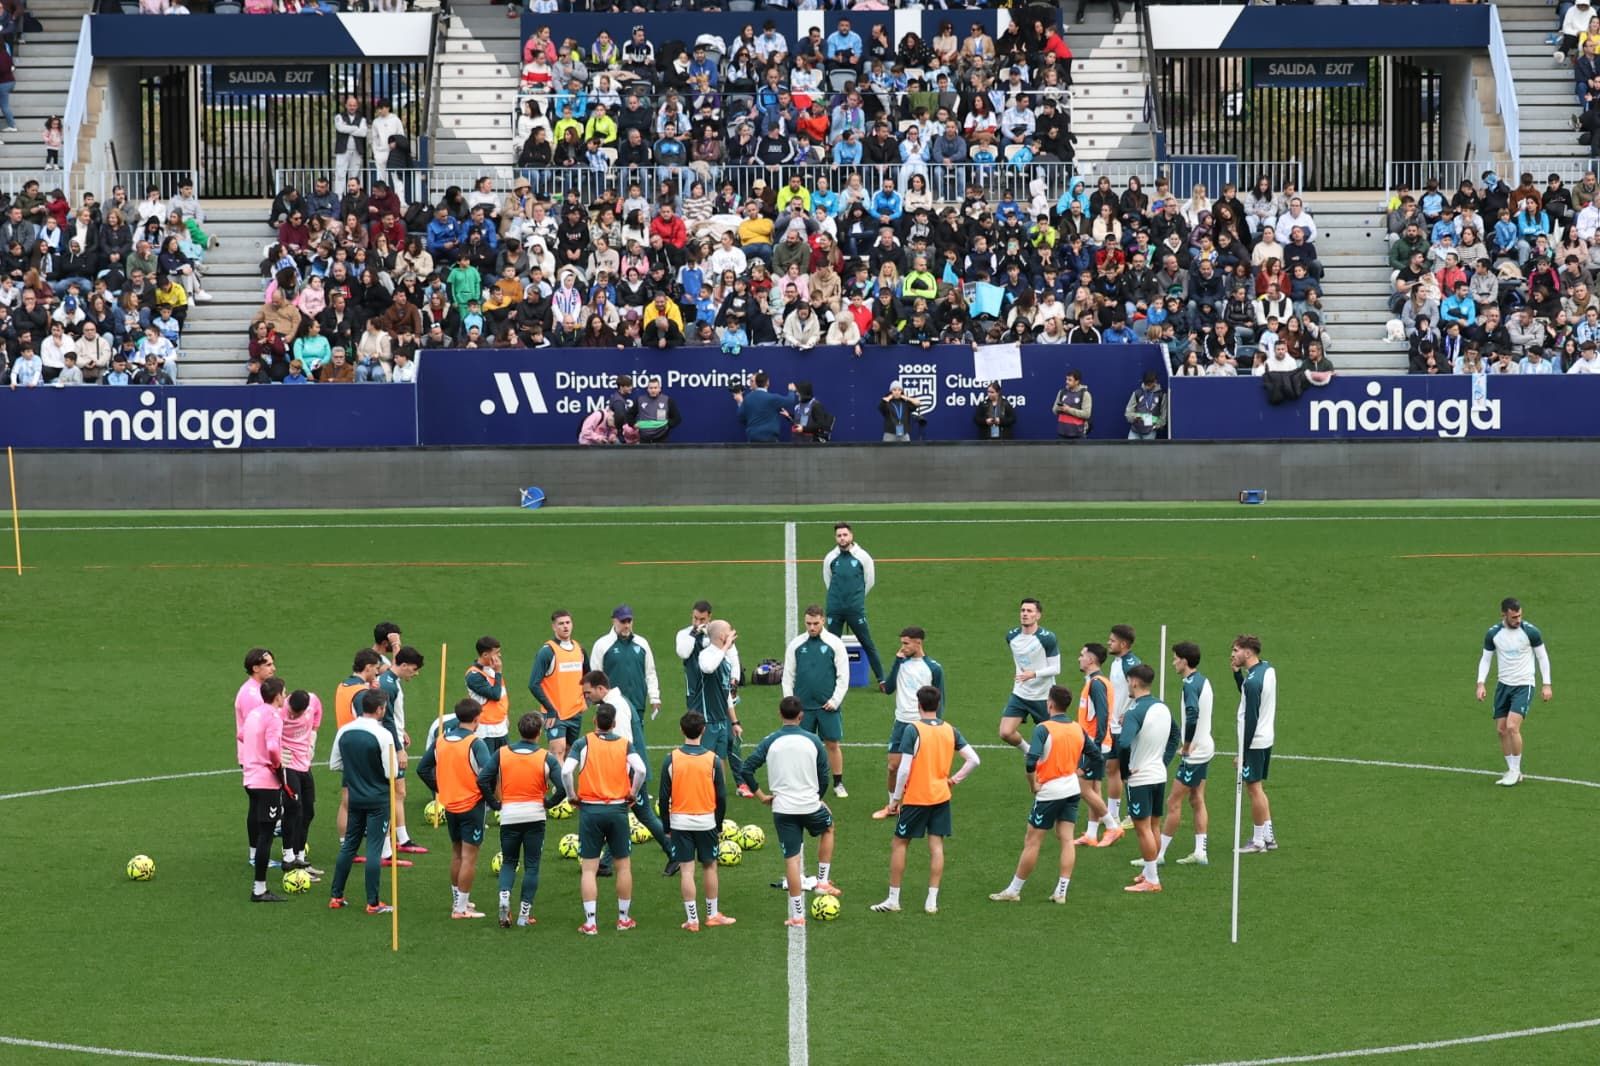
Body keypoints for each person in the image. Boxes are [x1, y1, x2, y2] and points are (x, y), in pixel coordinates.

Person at [990, 684, 1105, 904]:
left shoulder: (1043, 728)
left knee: (1032, 841)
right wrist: (1080, 771)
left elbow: (1031, 760)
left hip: (1050, 791)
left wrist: (1033, 785)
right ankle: (1061, 891)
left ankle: (1014, 890)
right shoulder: (1077, 728)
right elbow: (1096, 756)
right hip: (1071, 789)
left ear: (1050, 704)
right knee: (1067, 840)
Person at [870, 685, 980, 914]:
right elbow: (974, 760)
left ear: (918, 705)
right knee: (936, 847)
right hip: (941, 796)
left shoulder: (913, 730)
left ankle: (893, 899)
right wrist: (953, 780)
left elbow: (903, 770)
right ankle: (931, 901)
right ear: (937, 705)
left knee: (900, 844)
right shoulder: (950, 729)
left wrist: (894, 800)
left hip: (917, 797)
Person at [739, 695, 842, 926]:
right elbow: (824, 774)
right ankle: (823, 882)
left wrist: (761, 796)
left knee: (792, 861)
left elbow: (746, 769)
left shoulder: (770, 741)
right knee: (829, 827)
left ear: (779, 714)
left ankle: (797, 916)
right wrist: (818, 798)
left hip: (782, 808)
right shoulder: (813, 740)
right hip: (809, 804)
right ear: (801, 716)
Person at [562, 701, 648, 934]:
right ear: (615, 723)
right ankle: (623, 919)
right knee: (623, 866)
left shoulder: (583, 742)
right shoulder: (624, 744)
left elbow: (566, 771)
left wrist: (571, 795)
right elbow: (641, 770)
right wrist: (633, 792)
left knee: (589, 869)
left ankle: (590, 923)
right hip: (618, 809)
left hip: (590, 809)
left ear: (594, 722)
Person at [477, 712, 566, 928]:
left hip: (509, 815)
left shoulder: (502, 753)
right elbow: (563, 786)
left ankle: (504, 898)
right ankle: (524, 915)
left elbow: (482, 779)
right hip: (535, 815)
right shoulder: (547, 758)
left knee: (509, 862)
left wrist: (495, 803)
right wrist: (550, 803)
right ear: (539, 733)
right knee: (532, 866)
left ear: (519, 730)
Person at [581, 668, 673, 875]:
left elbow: (624, 744)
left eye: (588, 693)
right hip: (630, 769)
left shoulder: (616, 708)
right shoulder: (614, 703)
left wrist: (624, 777)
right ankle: (605, 863)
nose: (586, 697)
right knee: (621, 814)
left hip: (630, 772)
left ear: (601, 688)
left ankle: (674, 853)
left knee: (643, 815)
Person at [658, 712, 735, 932]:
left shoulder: (670, 759)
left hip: (680, 823)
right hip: (706, 822)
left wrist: (666, 827)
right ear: (703, 730)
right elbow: (721, 796)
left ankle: (692, 920)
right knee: (710, 866)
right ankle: (712, 914)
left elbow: (664, 798)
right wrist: (718, 824)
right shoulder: (712, 760)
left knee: (686, 871)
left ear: (682, 730)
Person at [417, 698, 492, 919]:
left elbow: (423, 769)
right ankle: (460, 909)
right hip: (472, 805)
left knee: (457, 853)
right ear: (477, 719)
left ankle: (458, 901)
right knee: (470, 857)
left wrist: (441, 788)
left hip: (450, 805)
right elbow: (487, 775)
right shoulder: (475, 743)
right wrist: (493, 801)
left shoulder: (442, 739)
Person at [327, 683, 398, 915]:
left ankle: (336, 896)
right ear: (379, 709)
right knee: (374, 849)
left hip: (355, 798)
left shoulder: (344, 731)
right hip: (378, 800)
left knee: (349, 846)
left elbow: (335, 764)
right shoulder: (383, 734)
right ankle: (373, 902)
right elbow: (392, 773)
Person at [1475, 597, 1552, 786]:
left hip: (1524, 685)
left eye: (1519, 615)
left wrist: (1546, 684)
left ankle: (1516, 770)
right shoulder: (1494, 634)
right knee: (1501, 730)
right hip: (1503, 686)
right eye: (1513, 617)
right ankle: (1512, 769)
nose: (1518, 620)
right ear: (1504, 614)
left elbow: (1542, 657)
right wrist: (1480, 683)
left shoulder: (1531, 632)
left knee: (1512, 727)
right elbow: (1486, 659)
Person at [873, 626, 945, 820]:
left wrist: (937, 725)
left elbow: (940, 700)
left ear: (918, 643)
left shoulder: (933, 668)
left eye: (906, 643)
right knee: (893, 767)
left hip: (922, 725)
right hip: (901, 723)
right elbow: (888, 689)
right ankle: (893, 805)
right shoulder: (901, 663)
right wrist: (897, 661)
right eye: (902, 642)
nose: (902, 647)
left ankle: (919, 805)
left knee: (919, 769)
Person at [1118, 664, 1177, 893]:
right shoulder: (1162, 707)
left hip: (1140, 777)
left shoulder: (1135, 711)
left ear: (1134, 682)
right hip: (1158, 775)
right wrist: (1163, 761)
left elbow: (1123, 743)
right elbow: (1175, 735)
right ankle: (1149, 872)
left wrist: (1124, 772)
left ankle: (1152, 880)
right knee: (1153, 825)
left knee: (1142, 829)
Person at [1155, 642, 1214, 868]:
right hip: (1206, 746)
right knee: (1197, 799)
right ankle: (1200, 851)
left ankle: (1158, 854)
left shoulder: (1190, 685)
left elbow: (1192, 715)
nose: (1173, 662)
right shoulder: (1203, 680)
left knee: (1173, 801)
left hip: (1196, 752)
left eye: (1175, 658)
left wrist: (1187, 745)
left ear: (1184, 661)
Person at [783, 605, 850, 798]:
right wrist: (791, 703)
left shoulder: (834, 644)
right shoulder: (796, 644)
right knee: (801, 746)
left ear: (823, 621)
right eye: (808, 623)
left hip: (827, 705)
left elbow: (843, 676)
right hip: (803, 708)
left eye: (815, 623)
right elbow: (788, 676)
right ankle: (802, 782)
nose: (811, 627)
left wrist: (835, 700)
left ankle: (838, 783)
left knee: (832, 744)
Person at [589, 604, 661, 762]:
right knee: (611, 745)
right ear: (614, 621)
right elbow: (595, 676)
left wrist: (655, 698)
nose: (626, 625)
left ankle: (636, 782)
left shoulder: (642, 644)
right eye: (623, 621)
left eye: (629, 621)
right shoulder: (602, 645)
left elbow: (650, 672)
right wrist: (598, 703)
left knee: (636, 745)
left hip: (637, 704)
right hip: (611, 708)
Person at [376, 645, 427, 855]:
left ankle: (400, 838)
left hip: (393, 738)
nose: (415, 674)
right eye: (413, 669)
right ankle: (394, 843)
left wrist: (402, 729)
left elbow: (392, 717)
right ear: (403, 665)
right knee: (395, 792)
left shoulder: (391, 681)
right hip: (389, 745)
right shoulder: (389, 685)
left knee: (398, 792)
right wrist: (399, 749)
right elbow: (386, 719)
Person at [240, 678, 288, 903]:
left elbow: (242, 736)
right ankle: (259, 889)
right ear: (278, 696)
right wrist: (277, 767)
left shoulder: (253, 714)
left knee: (262, 832)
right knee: (266, 836)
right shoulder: (274, 717)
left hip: (249, 778)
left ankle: (260, 887)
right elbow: (272, 748)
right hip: (266, 781)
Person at [822, 522, 885, 686]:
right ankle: (830, 680)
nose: (842, 538)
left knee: (867, 643)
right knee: (832, 646)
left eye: (845, 535)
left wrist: (856, 598)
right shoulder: (830, 558)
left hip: (855, 609)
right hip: (835, 609)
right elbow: (828, 581)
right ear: (835, 538)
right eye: (839, 535)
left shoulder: (863, 557)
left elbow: (869, 581)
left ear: (851, 536)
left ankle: (882, 679)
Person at [1232, 635, 1279, 854]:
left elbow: (1251, 716)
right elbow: (1249, 694)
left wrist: (1242, 753)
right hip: (1266, 737)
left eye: (1236, 650)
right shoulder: (1266, 670)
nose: (1233, 654)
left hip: (1254, 741)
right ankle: (1268, 836)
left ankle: (1258, 840)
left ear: (1248, 652)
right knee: (1258, 787)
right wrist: (1236, 675)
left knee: (1254, 789)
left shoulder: (1252, 682)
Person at [998, 597, 1060, 754]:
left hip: (1043, 696)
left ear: (1038, 615)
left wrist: (1034, 674)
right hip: (1020, 693)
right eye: (1023, 610)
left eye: (1029, 611)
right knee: (1005, 732)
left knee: (1052, 741)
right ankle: (1028, 751)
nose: (1025, 614)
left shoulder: (1047, 638)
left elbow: (1056, 668)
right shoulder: (1011, 636)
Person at [1070, 643, 1115, 847]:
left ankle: (1112, 826)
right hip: (1096, 743)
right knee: (1094, 788)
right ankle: (1091, 833)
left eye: (1082, 655)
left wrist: (1093, 746)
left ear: (1091, 659)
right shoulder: (1098, 682)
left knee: (1083, 788)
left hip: (1093, 745)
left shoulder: (1096, 684)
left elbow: (1103, 715)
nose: (1079, 658)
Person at [277, 687, 324, 882]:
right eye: (292, 712)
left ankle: (300, 858)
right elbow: (267, 734)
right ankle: (288, 858)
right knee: (293, 808)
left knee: (308, 811)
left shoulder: (313, 701)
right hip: (288, 764)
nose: (294, 716)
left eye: (298, 713)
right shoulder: (279, 712)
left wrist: (312, 741)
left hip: (304, 764)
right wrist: (278, 753)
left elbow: (316, 720)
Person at [695, 619, 746, 794]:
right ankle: (703, 794)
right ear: (722, 636)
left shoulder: (725, 659)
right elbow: (708, 668)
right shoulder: (706, 655)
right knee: (705, 761)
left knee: (720, 759)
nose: (733, 634)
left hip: (722, 720)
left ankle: (719, 794)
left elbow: (726, 695)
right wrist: (725, 648)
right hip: (707, 720)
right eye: (730, 632)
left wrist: (734, 722)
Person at [530, 609, 586, 761]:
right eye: (561, 624)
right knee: (558, 752)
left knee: (569, 753)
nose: (565, 626)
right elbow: (533, 684)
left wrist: (585, 699)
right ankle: (557, 785)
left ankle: (558, 784)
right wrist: (550, 709)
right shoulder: (547, 652)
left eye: (568, 623)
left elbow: (588, 676)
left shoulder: (579, 649)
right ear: (554, 627)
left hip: (575, 712)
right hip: (555, 714)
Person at [1102, 623, 1141, 837]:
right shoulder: (1118, 662)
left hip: (1123, 726)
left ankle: (1133, 815)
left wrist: (1132, 711)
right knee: (1112, 768)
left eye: (1112, 640)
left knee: (1125, 770)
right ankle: (1113, 815)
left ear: (1123, 644)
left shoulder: (1130, 664)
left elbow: (1140, 687)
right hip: (1114, 724)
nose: (1109, 642)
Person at [465, 635, 511, 752]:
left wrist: (505, 716)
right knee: (486, 768)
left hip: (501, 728)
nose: (499, 656)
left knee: (504, 766)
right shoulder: (473, 676)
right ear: (485, 655)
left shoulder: (491, 669)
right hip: (485, 731)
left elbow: (502, 695)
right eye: (496, 653)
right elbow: (495, 695)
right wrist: (499, 673)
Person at [733, 371, 798, 442]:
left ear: (756, 383)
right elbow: (790, 401)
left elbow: (741, 417)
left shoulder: (748, 398)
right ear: (768, 383)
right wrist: (791, 391)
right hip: (770, 439)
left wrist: (740, 402)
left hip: (753, 437)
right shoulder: (772, 398)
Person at [333, 96, 368, 190]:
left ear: (357, 106)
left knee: (354, 175)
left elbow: (363, 133)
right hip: (342, 150)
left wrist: (347, 128)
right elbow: (340, 128)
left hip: (357, 150)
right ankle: (339, 197)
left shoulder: (362, 118)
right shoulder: (339, 116)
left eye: (354, 105)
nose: (352, 107)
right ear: (346, 106)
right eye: (350, 105)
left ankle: (353, 196)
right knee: (340, 174)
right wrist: (356, 128)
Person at [1125, 370, 1167, 440]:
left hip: (1150, 431)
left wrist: (1157, 426)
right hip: (1135, 430)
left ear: (1155, 382)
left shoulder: (1161, 395)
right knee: (1130, 450)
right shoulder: (1137, 393)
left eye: (1149, 384)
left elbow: (1164, 414)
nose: (1147, 387)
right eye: (1146, 384)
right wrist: (1134, 417)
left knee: (1147, 451)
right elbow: (1128, 411)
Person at [1052, 369, 1091, 440]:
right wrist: (1059, 408)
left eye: (1070, 380)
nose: (1067, 382)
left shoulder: (1085, 394)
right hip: (1062, 435)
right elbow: (1054, 410)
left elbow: (1086, 414)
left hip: (1078, 436)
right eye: (1066, 379)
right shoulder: (1062, 392)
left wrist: (1068, 410)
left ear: (1077, 381)